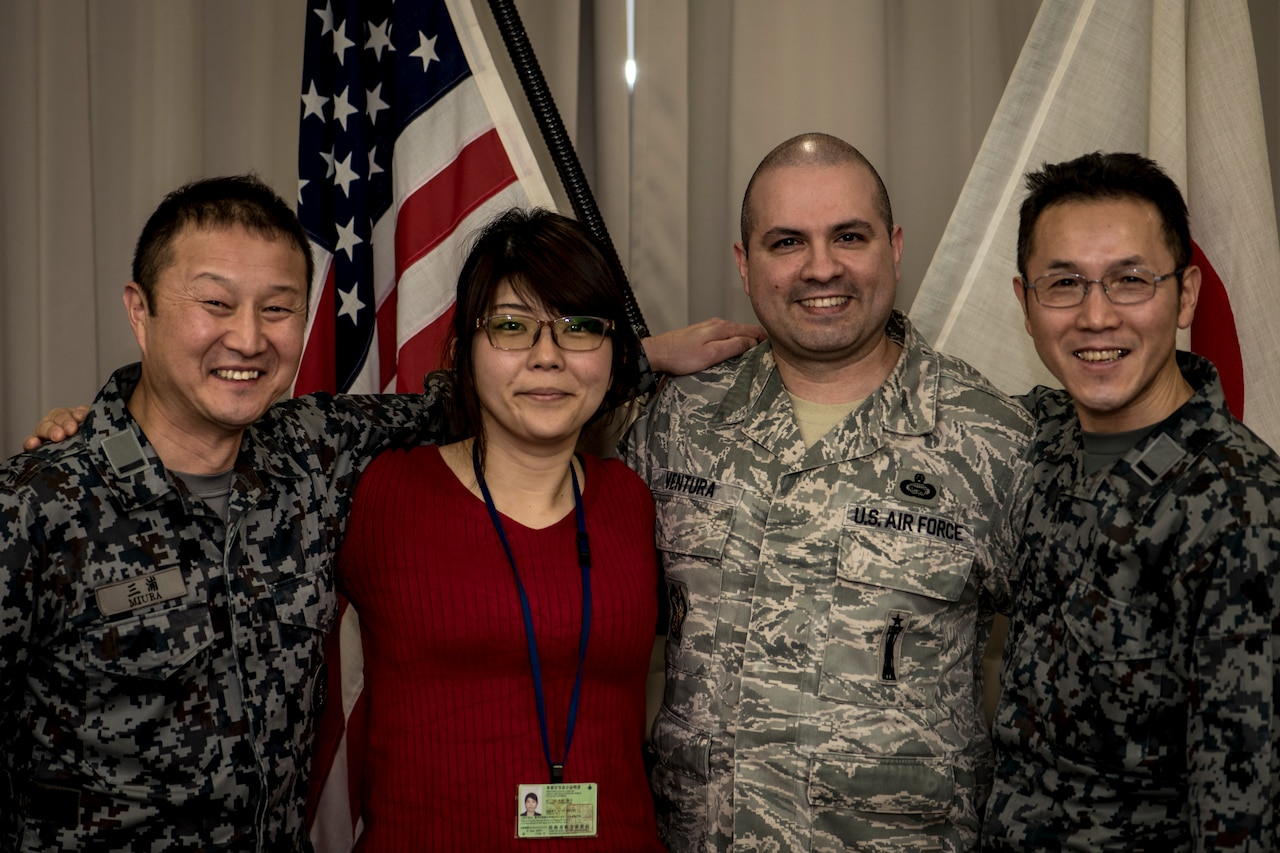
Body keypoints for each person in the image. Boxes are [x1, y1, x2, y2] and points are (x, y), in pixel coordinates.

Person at [0, 175, 761, 851]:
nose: (247, 337)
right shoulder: (39, 503)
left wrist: (634, 353)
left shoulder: (312, 460)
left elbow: (490, 394)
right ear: (140, 311)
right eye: (214, 303)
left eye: (277, 309)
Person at [620, 132, 1033, 852]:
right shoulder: (675, 424)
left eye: (849, 235)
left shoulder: (993, 439)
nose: (821, 267)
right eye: (787, 242)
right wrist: (632, 359)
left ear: (895, 247)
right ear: (745, 265)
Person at [333, 209, 665, 851]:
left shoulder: (636, 499)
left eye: (579, 329)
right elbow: (219, 447)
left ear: (614, 351)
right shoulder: (380, 493)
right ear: (462, 351)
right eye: (511, 327)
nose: (547, 357)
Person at [983, 152, 1280, 850]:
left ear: (1186, 296)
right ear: (1024, 303)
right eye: (1064, 283)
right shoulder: (1033, 437)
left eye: (1130, 281)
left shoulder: (1244, 505)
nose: (1095, 316)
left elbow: (1240, 810)